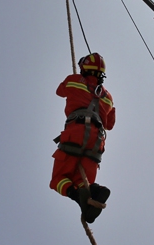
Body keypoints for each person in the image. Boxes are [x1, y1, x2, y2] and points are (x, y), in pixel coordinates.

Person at [50, 53, 116, 223]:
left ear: (84, 67)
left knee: (58, 179)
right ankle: (94, 192)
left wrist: (77, 80)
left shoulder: (74, 80)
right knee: (82, 182)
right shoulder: (108, 97)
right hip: (96, 143)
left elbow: (59, 91)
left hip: (76, 132)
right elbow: (109, 125)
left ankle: (79, 197)